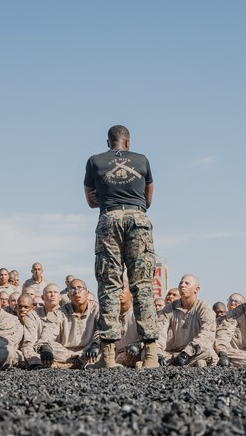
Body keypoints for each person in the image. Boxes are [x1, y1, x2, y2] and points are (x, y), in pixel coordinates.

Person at [84, 125, 159, 369]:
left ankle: (107, 358)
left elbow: (90, 200)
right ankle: (150, 357)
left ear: (109, 143)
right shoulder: (142, 160)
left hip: (109, 217)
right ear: (128, 143)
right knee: (143, 287)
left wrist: (109, 196)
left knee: (109, 286)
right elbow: (148, 200)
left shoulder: (95, 161)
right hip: (138, 219)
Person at [35, 279, 100, 369]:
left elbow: (103, 330)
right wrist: (45, 348)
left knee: (104, 347)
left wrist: (96, 344)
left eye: (80, 288)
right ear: (68, 295)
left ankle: (66, 365)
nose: (76, 292)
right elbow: (47, 333)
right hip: (65, 353)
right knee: (46, 350)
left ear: (87, 293)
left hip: (89, 350)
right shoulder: (59, 312)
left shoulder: (97, 310)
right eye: (72, 289)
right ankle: (78, 363)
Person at [157, 275, 216, 367]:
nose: (182, 285)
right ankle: (192, 364)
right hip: (171, 352)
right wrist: (158, 353)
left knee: (208, 353)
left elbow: (207, 334)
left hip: (193, 352)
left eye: (186, 283)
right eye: (181, 283)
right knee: (148, 352)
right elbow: (160, 332)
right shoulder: (169, 308)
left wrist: (186, 354)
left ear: (196, 289)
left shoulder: (204, 308)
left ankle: (181, 363)